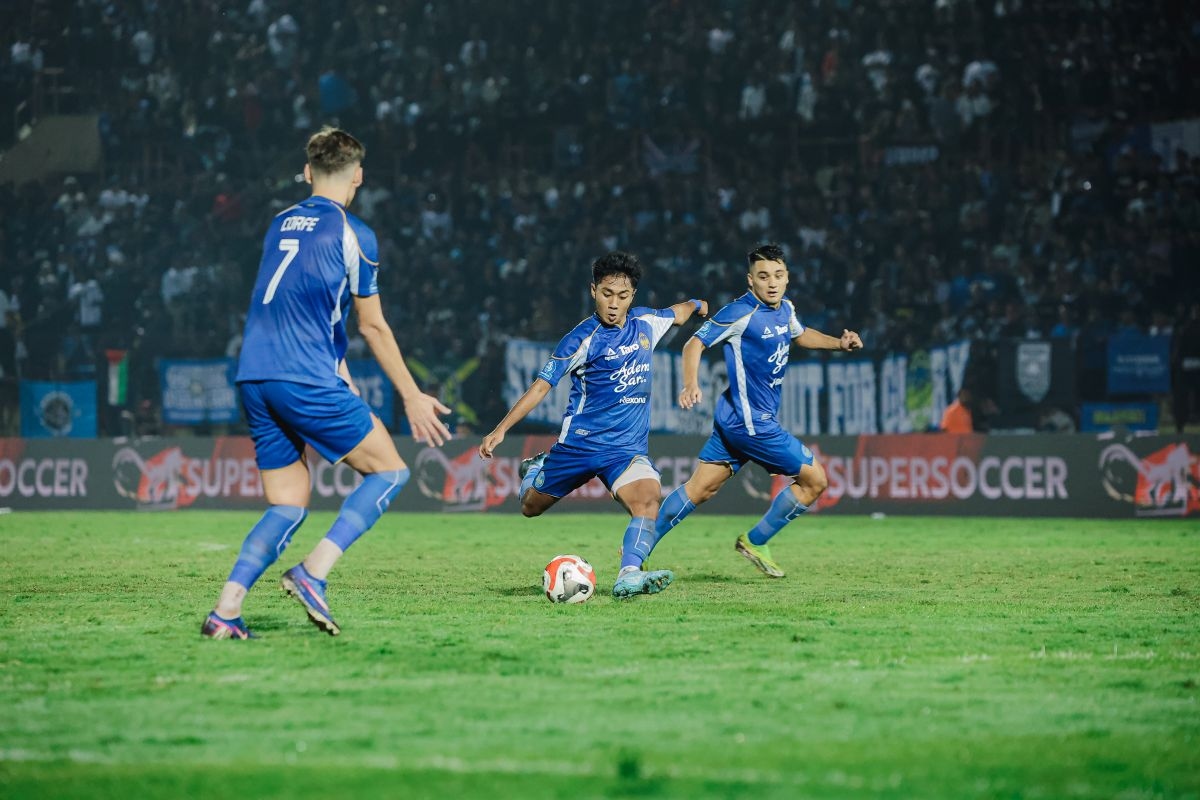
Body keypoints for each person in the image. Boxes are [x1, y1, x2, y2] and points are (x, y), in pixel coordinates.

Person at [202, 127, 451, 640]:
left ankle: (225, 612)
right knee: (389, 472)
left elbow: (310, 304)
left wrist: (342, 372)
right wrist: (411, 395)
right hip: (301, 376)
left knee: (288, 504)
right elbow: (372, 324)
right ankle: (313, 573)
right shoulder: (354, 233)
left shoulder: (277, 223)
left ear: (309, 172)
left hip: (254, 375)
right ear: (359, 175)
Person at [478, 251, 707, 598]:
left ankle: (628, 575)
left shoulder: (646, 323)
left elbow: (679, 314)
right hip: (580, 448)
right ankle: (536, 468)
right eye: (606, 294)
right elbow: (542, 386)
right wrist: (501, 429)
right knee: (530, 507)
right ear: (593, 291)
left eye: (623, 296)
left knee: (648, 499)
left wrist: (697, 303)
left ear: (633, 297)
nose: (614, 304)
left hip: (625, 451)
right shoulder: (581, 338)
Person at [649, 243, 863, 578]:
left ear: (787, 278)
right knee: (815, 480)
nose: (772, 282)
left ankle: (639, 547)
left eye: (778, 275)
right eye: (764, 277)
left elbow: (801, 334)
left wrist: (838, 343)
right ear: (751, 281)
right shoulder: (740, 312)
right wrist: (690, 384)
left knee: (700, 489)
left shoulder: (785, 309)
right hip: (752, 424)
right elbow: (695, 343)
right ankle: (756, 540)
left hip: (735, 418)